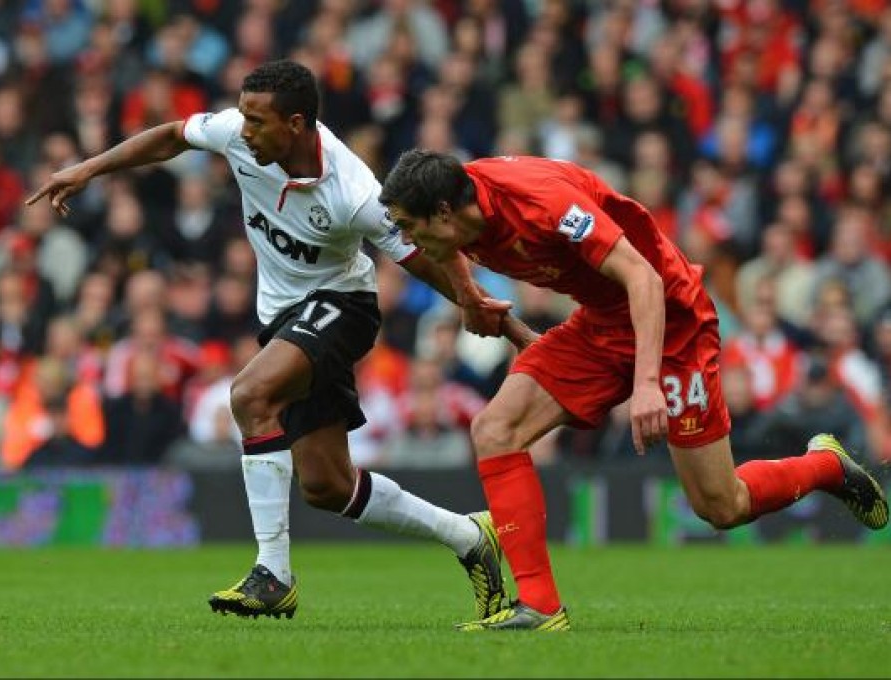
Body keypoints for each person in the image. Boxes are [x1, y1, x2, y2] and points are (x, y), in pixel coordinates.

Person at [27, 60, 528, 623]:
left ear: (295, 124)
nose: (242, 130)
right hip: (285, 317)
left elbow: (423, 253)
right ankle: (468, 535)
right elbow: (171, 136)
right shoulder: (239, 136)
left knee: (248, 395)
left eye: (256, 121)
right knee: (327, 485)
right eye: (242, 115)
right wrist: (87, 170)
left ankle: (273, 574)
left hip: (344, 305)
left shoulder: (354, 190)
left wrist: (490, 314)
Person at [379, 150, 890, 632]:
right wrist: (467, 296)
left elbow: (642, 279)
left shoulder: (542, 204)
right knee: (495, 429)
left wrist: (646, 385)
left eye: (407, 226)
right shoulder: (455, 212)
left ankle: (826, 466)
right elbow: (446, 247)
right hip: (601, 324)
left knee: (721, 505)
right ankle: (539, 605)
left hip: (672, 323)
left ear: (443, 212)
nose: (404, 239)